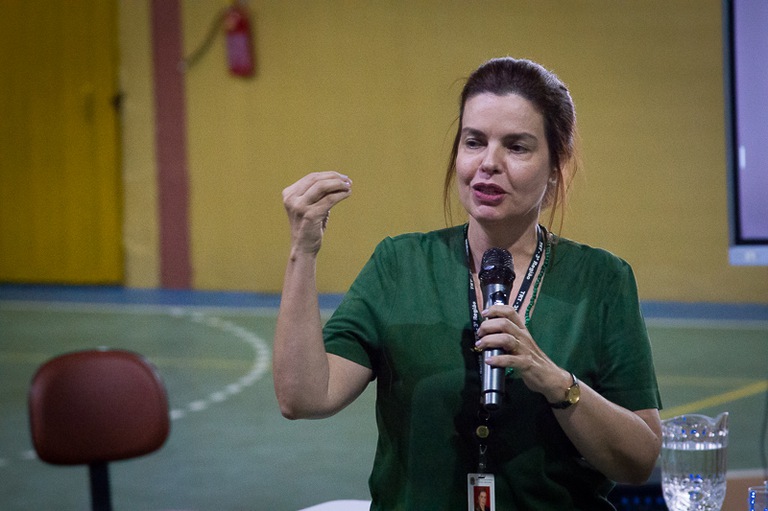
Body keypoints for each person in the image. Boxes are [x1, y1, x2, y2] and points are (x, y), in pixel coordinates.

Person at [274, 57, 662, 510]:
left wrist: (557, 382)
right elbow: (303, 397)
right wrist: (303, 251)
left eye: (516, 147)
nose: (489, 163)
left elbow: (638, 461)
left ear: (556, 167)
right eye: (474, 142)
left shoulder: (602, 281)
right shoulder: (400, 265)